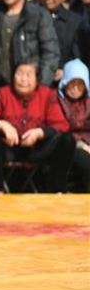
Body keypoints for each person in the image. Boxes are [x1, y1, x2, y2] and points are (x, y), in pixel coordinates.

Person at [0, 61, 74, 193]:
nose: (23, 79)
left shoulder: (47, 95)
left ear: (37, 79)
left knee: (67, 140)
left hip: (37, 148)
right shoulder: (2, 94)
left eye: (29, 74)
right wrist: (1, 125)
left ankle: (56, 191)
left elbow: (61, 125)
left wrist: (40, 132)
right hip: (8, 148)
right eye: (19, 73)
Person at [40, 0, 81, 82]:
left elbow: (77, 54)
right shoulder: (33, 18)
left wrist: (65, 69)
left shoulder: (74, 21)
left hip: (66, 80)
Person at [58, 59, 90, 191]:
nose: (76, 88)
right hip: (69, 144)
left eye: (80, 84)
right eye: (72, 83)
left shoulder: (88, 102)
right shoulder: (57, 101)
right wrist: (83, 145)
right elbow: (60, 127)